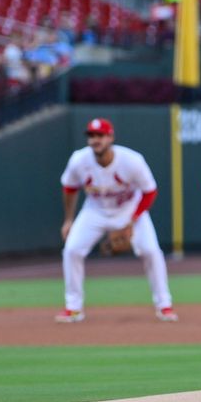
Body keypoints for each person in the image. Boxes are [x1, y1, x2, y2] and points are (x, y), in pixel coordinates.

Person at [57, 118, 177, 323]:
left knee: (151, 251)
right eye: (92, 136)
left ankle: (164, 305)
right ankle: (73, 308)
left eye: (100, 135)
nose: (96, 140)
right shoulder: (79, 160)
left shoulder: (132, 161)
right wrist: (68, 219)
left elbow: (150, 191)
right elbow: (69, 188)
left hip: (129, 210)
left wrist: (133, 220)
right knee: (72, 250)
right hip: (94, 211)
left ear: (111, 137)